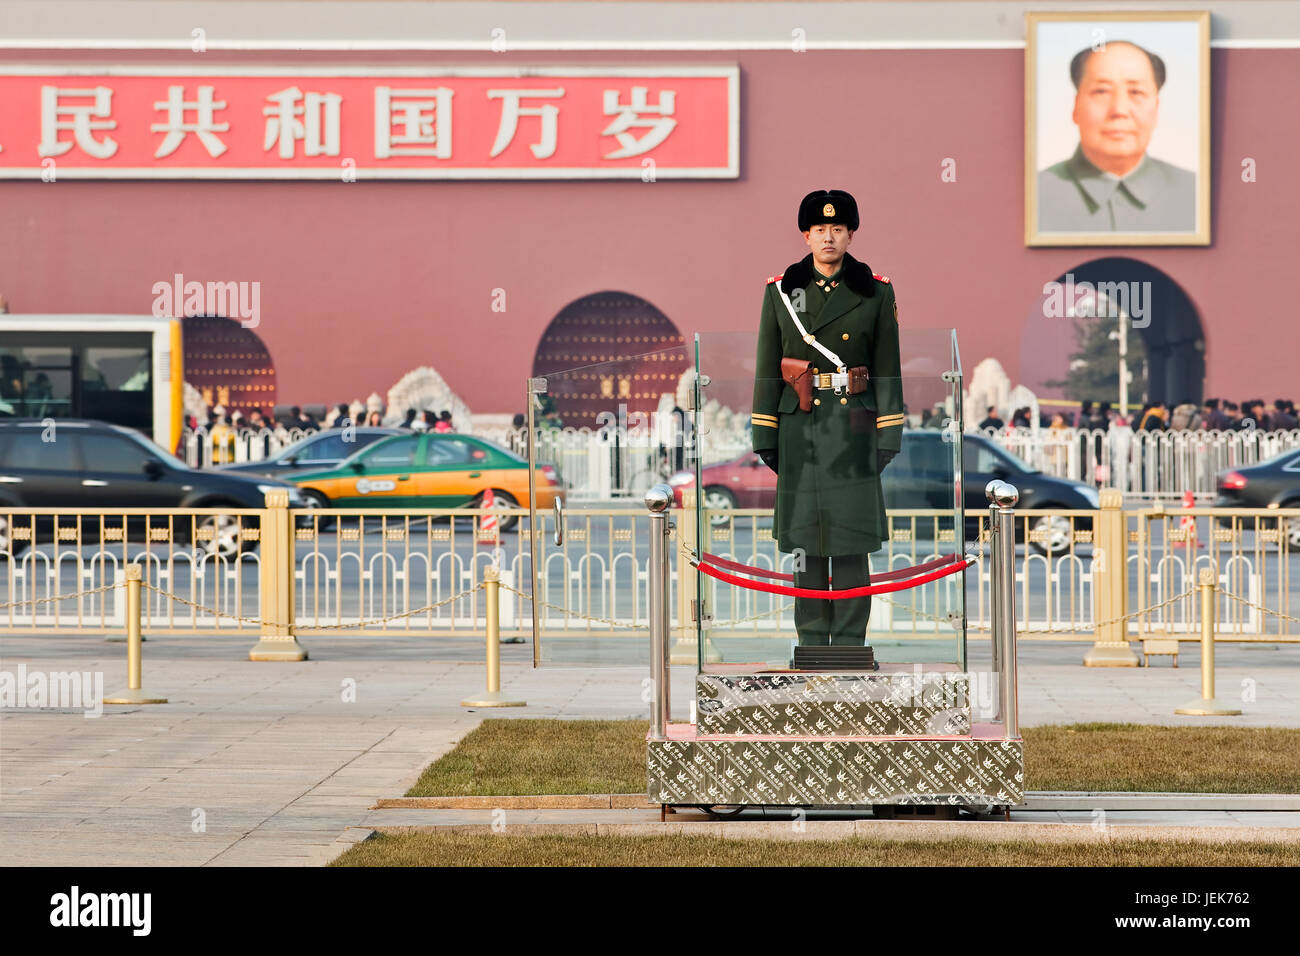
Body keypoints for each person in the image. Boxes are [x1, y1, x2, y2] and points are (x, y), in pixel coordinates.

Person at [750, 188, 903, 648]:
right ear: (805, 235)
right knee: (806, 544)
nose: (828, 238)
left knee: (852, 541)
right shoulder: (781, 291)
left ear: (851, 235)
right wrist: (765, 433)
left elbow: (887, 367)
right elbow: (766, 365)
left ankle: (852, 643)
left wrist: (888, 435)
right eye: (819, 230)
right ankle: (814, 642)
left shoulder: (876, 291)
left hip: (852, 429)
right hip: (801, 428)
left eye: (838, 229)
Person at [1037, 41, 1196, 233]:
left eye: (1136, 92)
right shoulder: (1032, 195)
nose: (1119, 110)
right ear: (1076, 107)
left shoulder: (1197, 195)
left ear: (1156, 109)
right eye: (1101, 91)